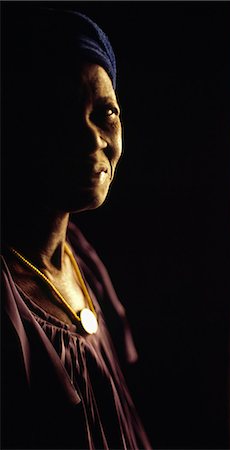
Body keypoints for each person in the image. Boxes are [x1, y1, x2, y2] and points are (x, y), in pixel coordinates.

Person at [1, 6, 151, 450]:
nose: (94, 139)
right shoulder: (8, 297)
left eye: (106, 112)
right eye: (65, 114)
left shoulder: (81, 260)